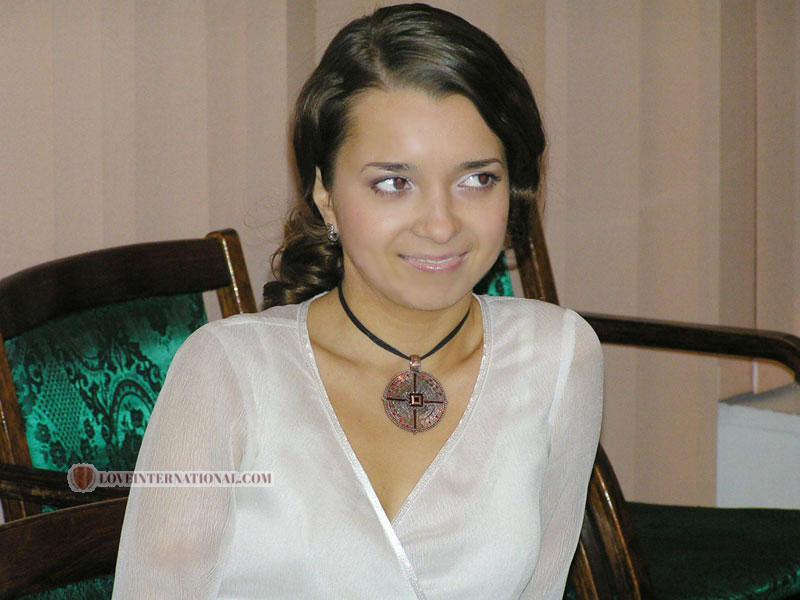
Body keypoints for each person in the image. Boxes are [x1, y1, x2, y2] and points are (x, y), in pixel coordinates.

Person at [112, 4, 603, 599]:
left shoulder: (557, 356)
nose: (441, 225)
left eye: (477, 179)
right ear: (325, 194)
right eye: (394, 183)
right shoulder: (228, 371)